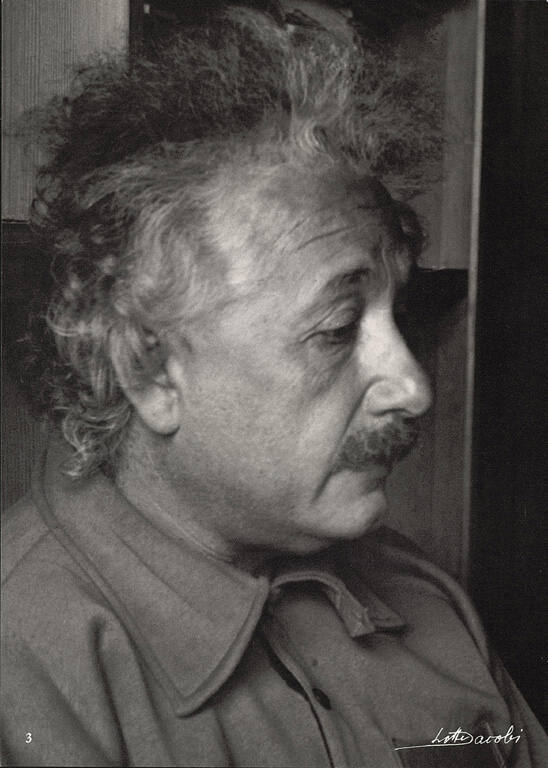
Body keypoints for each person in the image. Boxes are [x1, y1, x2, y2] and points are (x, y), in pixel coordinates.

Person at [2, 7, 546, 767]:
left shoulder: (424, 600)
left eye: (398, 314)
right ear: (150, 370)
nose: (413, 388)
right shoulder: (23, 668)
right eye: (337, 330)